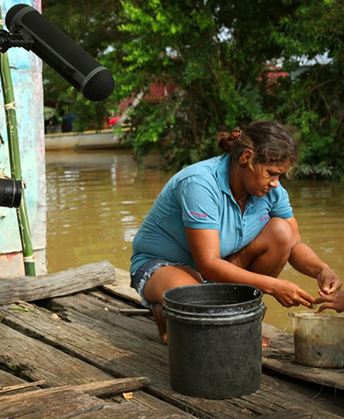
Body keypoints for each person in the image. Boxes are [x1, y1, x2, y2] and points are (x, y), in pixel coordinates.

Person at [130, 120, 342, 344]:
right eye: (271, 173)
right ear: (246, 158)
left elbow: (294, 245)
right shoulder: (200, 184)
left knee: (282, 232)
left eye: (279, 175)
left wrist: (322, 270)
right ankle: (166, 310)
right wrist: (272, 286)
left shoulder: (272, 191)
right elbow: (208, 263)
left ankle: (239, 316)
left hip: (215, 270)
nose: (275, 183)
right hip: (165, 265)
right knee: (196, 302)